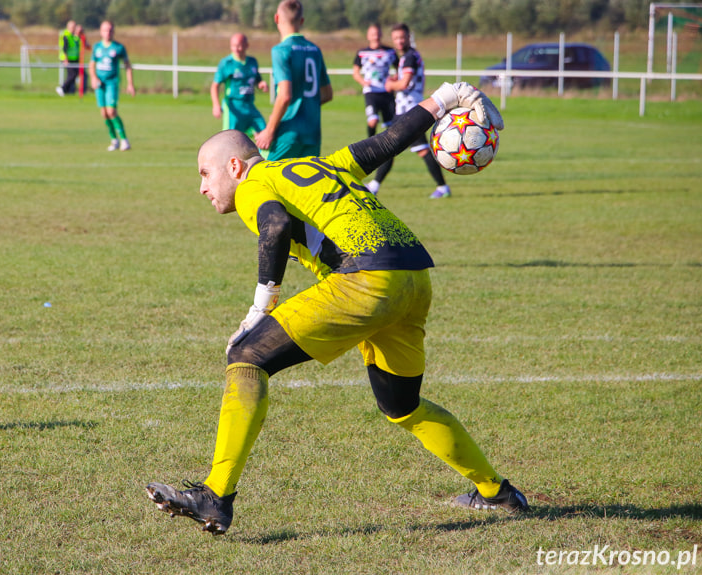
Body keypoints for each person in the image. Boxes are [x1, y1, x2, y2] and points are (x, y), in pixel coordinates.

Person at [146, 81, 527, 535]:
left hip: (367, 278)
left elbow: (277, 224)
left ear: (235, 166)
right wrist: (445, 98)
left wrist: (260, 307)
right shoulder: (312, 165)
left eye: (205, 174)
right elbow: (388, 142)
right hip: (413, 276)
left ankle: (215, 495)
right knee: (402, 406)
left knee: (245, 357)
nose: (202, 188)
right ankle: (498, 492)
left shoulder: (254, 184)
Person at [254, 0, 332, 161]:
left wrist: (269, 130)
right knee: (303, 184)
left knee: (258, 178)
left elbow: (285, 96)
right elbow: (328, 94)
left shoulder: (281, 50)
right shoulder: (315, 50)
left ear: (276, 18)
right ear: (302, 21)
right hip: (312, 132)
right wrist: (306, 105)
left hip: (288, 132)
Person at [382, 23, 451, 199]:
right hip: (407, 108)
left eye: (402, 37)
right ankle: (374, 185)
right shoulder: (409, 56)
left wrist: (390, 84)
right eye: (396, 38)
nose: (399, 41)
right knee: (390, 146)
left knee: (393, 147)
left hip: (409, 109)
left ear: (408, 37)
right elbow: (408, 79)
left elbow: (404, 83)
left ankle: (443, 187)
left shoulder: (410, 56)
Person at [352, 23, 398, 195]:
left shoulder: (390, 52)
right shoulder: (362, 53)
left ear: (380, 34)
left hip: (386, 93)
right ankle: (371, 145)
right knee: (372, 120)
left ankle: (381, 150)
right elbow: (355, 71)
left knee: (390, 130)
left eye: (378, 33)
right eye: (372, 33)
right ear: (368, 35)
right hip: (371, 92)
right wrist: (363, 82)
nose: (375, 36)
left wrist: (394, 79)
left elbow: (400, 69)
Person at [211, 33, 268, 142]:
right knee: (230, 139)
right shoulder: (227, 63)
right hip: (233, 106)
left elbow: (257, 79)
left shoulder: (252, 62)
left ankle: (260, 158)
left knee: (265, 133)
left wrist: (261, 84)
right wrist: (216, 105)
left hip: (249, 105)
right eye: (233, 46)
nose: (236, 49)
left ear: (247, 45)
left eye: (239, 45)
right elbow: (215, 85)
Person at [88, 20, 135, 152]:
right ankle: (114, 140)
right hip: (99, 84)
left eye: (110, 30)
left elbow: (127, 66)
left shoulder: (119, 47)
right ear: (100, 31)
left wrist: (130, 84)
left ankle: (124, 140)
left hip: (111, 83)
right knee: (104, 113)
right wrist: (93, 77)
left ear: (113, 32)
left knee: (111, 111)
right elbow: (92, 65)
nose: (107, 33)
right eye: (105, 30)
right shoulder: (97, 47)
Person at [57, 20, 82, 97]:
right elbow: (65, 48)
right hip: (67, 58)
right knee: (72, 75)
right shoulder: (66, 35)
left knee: (73, 75)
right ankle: (62, 88)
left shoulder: (74, 35)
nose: (74, 29)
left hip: (74, 58)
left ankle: (70, 91)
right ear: (68, 27)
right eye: (72, 27)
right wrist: (65, 59)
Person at [74, 24, 90, 94]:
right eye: (78, 30)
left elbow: (88, 47)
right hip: (73, 59)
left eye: (81, 30)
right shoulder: (73, 37)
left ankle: (83, 90)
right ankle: (71, 90)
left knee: (84, 76)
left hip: (80, 60)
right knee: (73, 76)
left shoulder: (83, 38)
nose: (80, 31)